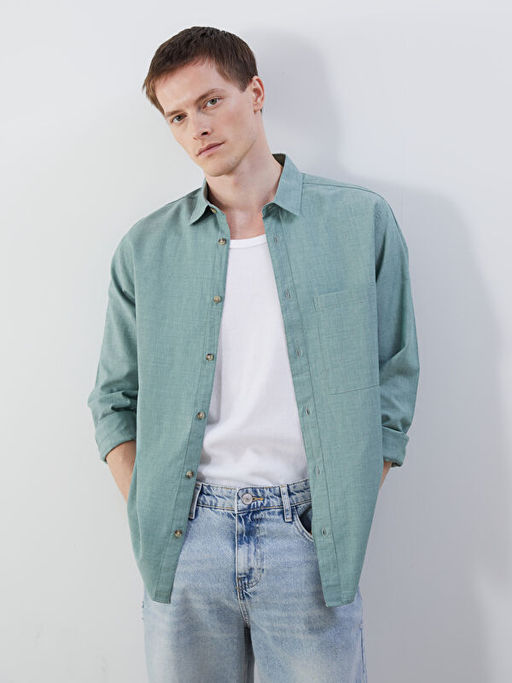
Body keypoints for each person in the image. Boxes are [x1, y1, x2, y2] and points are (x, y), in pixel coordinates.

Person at [87, 25, 420, 683]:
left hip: (310, 537)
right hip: (185, 539)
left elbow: (395, 374)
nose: (197, 128)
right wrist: (151, 511)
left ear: (256, 92)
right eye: (177, 116)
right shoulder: (145, 248)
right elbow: (113, 398)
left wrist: (342, 503)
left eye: (210, 101)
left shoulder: (360, 223)